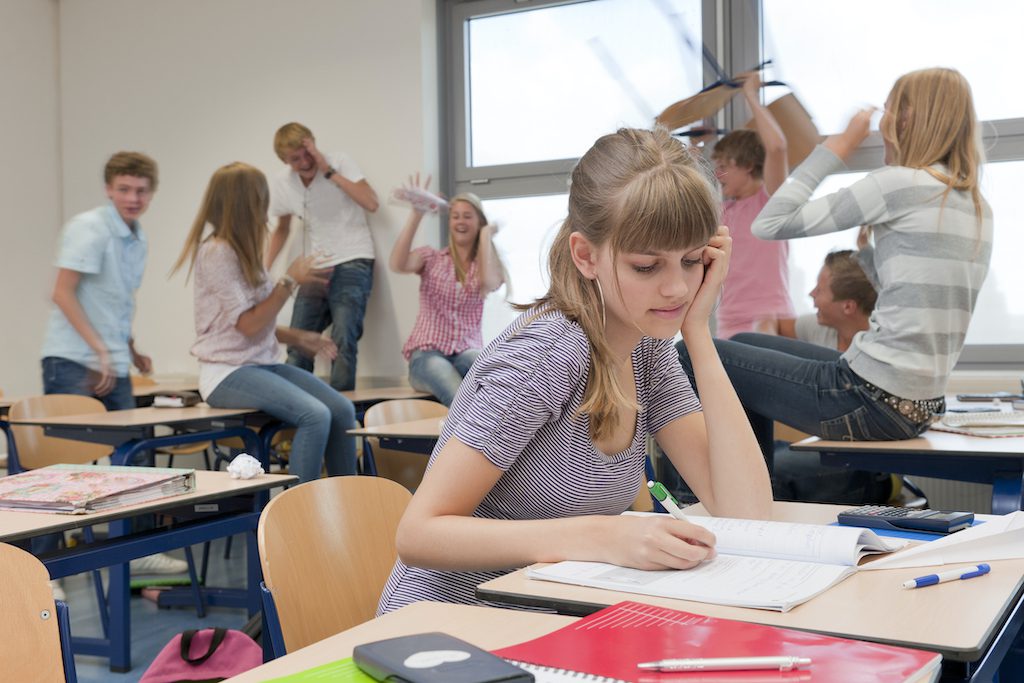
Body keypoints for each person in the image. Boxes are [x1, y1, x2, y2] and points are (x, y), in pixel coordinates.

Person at [377, 127, 772, 613]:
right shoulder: (545, 356)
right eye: (647, 267)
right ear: (586, 256)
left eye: (692, 261)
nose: (676, 288)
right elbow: (418, 534)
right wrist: (600, 535)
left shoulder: (647, 348)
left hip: (553, 615)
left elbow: (749, 514)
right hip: (453, 627)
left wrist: (698, 332)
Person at [677, 68, 993, 496]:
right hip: (917, 404)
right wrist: (870, 243)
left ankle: (718, 501)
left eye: (889, 113)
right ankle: (747, 492)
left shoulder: (900, 185)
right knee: (748, 342)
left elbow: (772, 222)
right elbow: (899, 293)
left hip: (866, 397)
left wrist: (836, 148)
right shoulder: (974, 205)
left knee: (693, 353)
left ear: (905, 121)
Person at [39, 151, 187, 592]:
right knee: (65, 468)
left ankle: (138, 555)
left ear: (151, 193)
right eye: (124, 189)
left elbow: (114, 303)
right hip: (71, 360)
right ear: (108, 189)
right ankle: (46, 570)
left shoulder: (136, 237)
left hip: (111, 360)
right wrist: (101, 349)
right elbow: (63, 293)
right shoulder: (88, 228)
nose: (133, 197)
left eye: (141, 190)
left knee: (136, 457)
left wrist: (130, 349)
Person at [173, 162, 358, 484]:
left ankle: (348, 499)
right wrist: (289, 281)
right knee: (314, 416)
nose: (267, 207)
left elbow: (254, 323)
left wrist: (299, 337)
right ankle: (298, 513)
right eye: (261, 198)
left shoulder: (245, 253)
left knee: (341, 410)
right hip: (226, 372)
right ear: (246, 203)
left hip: (260, 364)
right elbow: (246, 325)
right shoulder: (216, 252)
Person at [265, 122, 380, 391]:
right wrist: (263, 269)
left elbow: (371, 202)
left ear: (314, 145)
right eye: (296, 159)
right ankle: (294, 407)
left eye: (308, 153)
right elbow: (281, 228)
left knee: (343, 340)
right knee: (299, 339)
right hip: (317, 265)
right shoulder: (282, 183)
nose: (305, 162)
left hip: (354, 258)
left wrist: (329, 171)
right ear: (285, 161)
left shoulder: (338, 162)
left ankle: (343, 417)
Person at [389, 180, 506, 406]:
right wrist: (417, 213)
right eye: (456, 216)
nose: (460, 221)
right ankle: (470, 439)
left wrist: (485, 236)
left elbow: (487, 282)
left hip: (466, 351)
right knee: (456, 392)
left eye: (467, 216)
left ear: (479, 221)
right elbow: (398, 264)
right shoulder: (432, 259)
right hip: (427, 355)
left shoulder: (485, 267)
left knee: (487, 369)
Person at [710, 72, 794, 339]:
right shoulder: (723, 211)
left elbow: (778, 147)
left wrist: (751, 97)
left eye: (723, 167)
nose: (717, 175)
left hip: (768, 317)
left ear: (747, 165)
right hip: (728, 320)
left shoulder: (770, 201)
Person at [777, 249, 877, 352]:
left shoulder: (878, 352)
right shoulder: (818, 327)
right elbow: (774, 323)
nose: (811, 294)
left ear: (848, 307)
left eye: (819, 290)